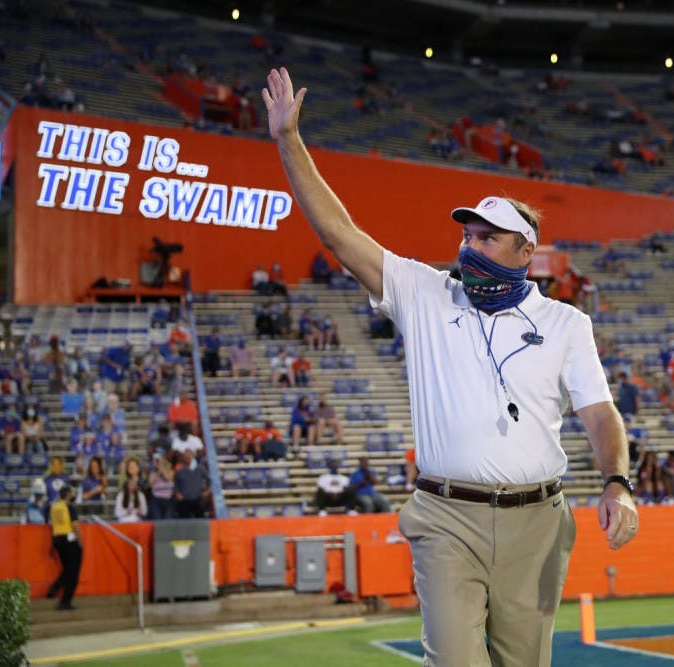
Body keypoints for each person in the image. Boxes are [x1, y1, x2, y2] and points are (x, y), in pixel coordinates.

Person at [264, 66, 637, 667]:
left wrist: (618, 483)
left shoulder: (568, 324)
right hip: (445, 516)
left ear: (525, 251)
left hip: (538, 521)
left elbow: (599, 414)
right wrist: (288, 140)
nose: (470, 245)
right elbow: (338, 233)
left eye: (489, 238)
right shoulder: (426, 293)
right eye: (468, 235)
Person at [47, 485, 83, 610]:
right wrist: (80, 543)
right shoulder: (69, 506)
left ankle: (55, 587)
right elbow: (75, 526)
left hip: (57, 539)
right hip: (69, 540)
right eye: (72, 492)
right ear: (68, 494)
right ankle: (65, 601)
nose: (73, 494)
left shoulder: (54, 506)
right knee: (73, 573)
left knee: (68, 569)